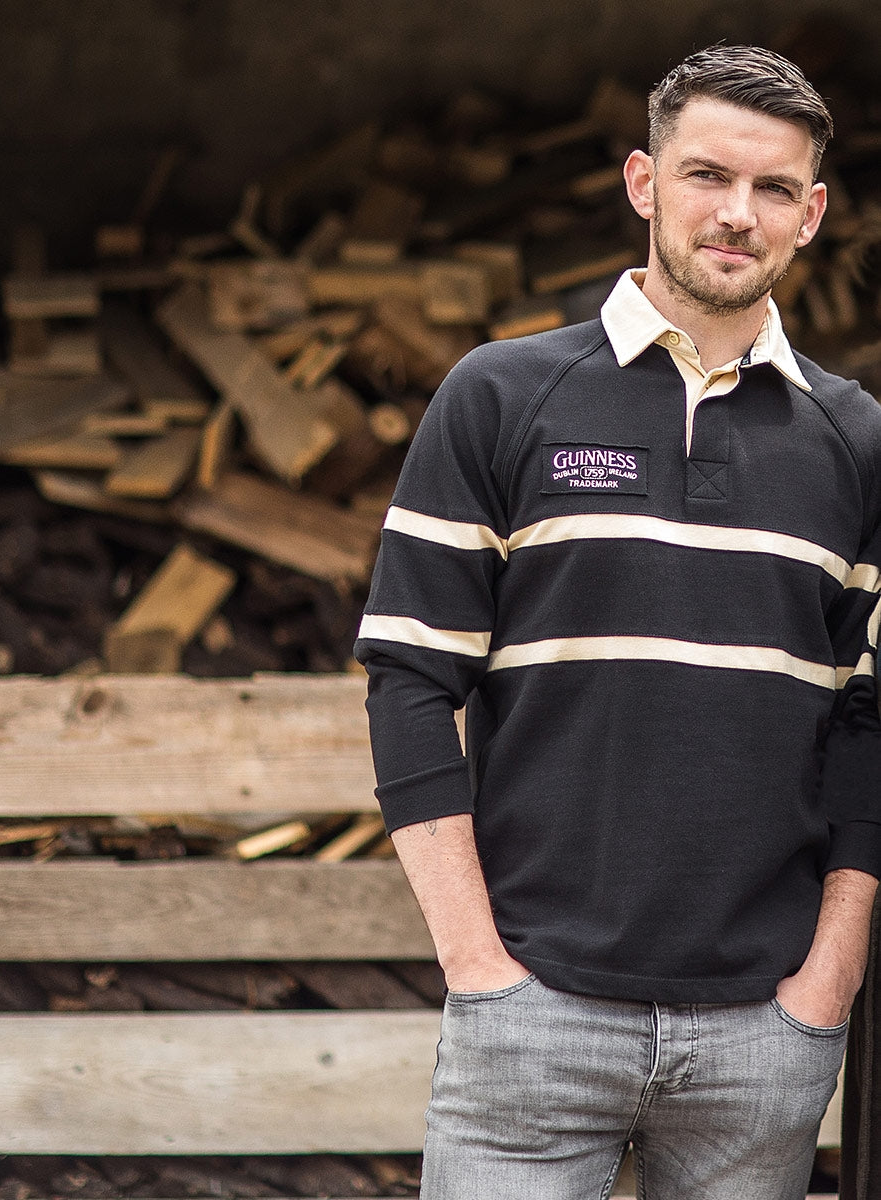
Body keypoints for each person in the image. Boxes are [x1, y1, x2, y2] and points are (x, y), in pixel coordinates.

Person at [354, 44, 881, 1200]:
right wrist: (477, 966)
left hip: (762, 1036)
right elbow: (406, 683)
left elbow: (870, 728)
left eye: (774, 189)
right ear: (644, 183)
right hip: (535, 1014)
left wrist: (825, 986)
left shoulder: (857, 444)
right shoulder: (500, 396)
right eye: (707, 176)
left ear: (814, 214)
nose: (736, 215)